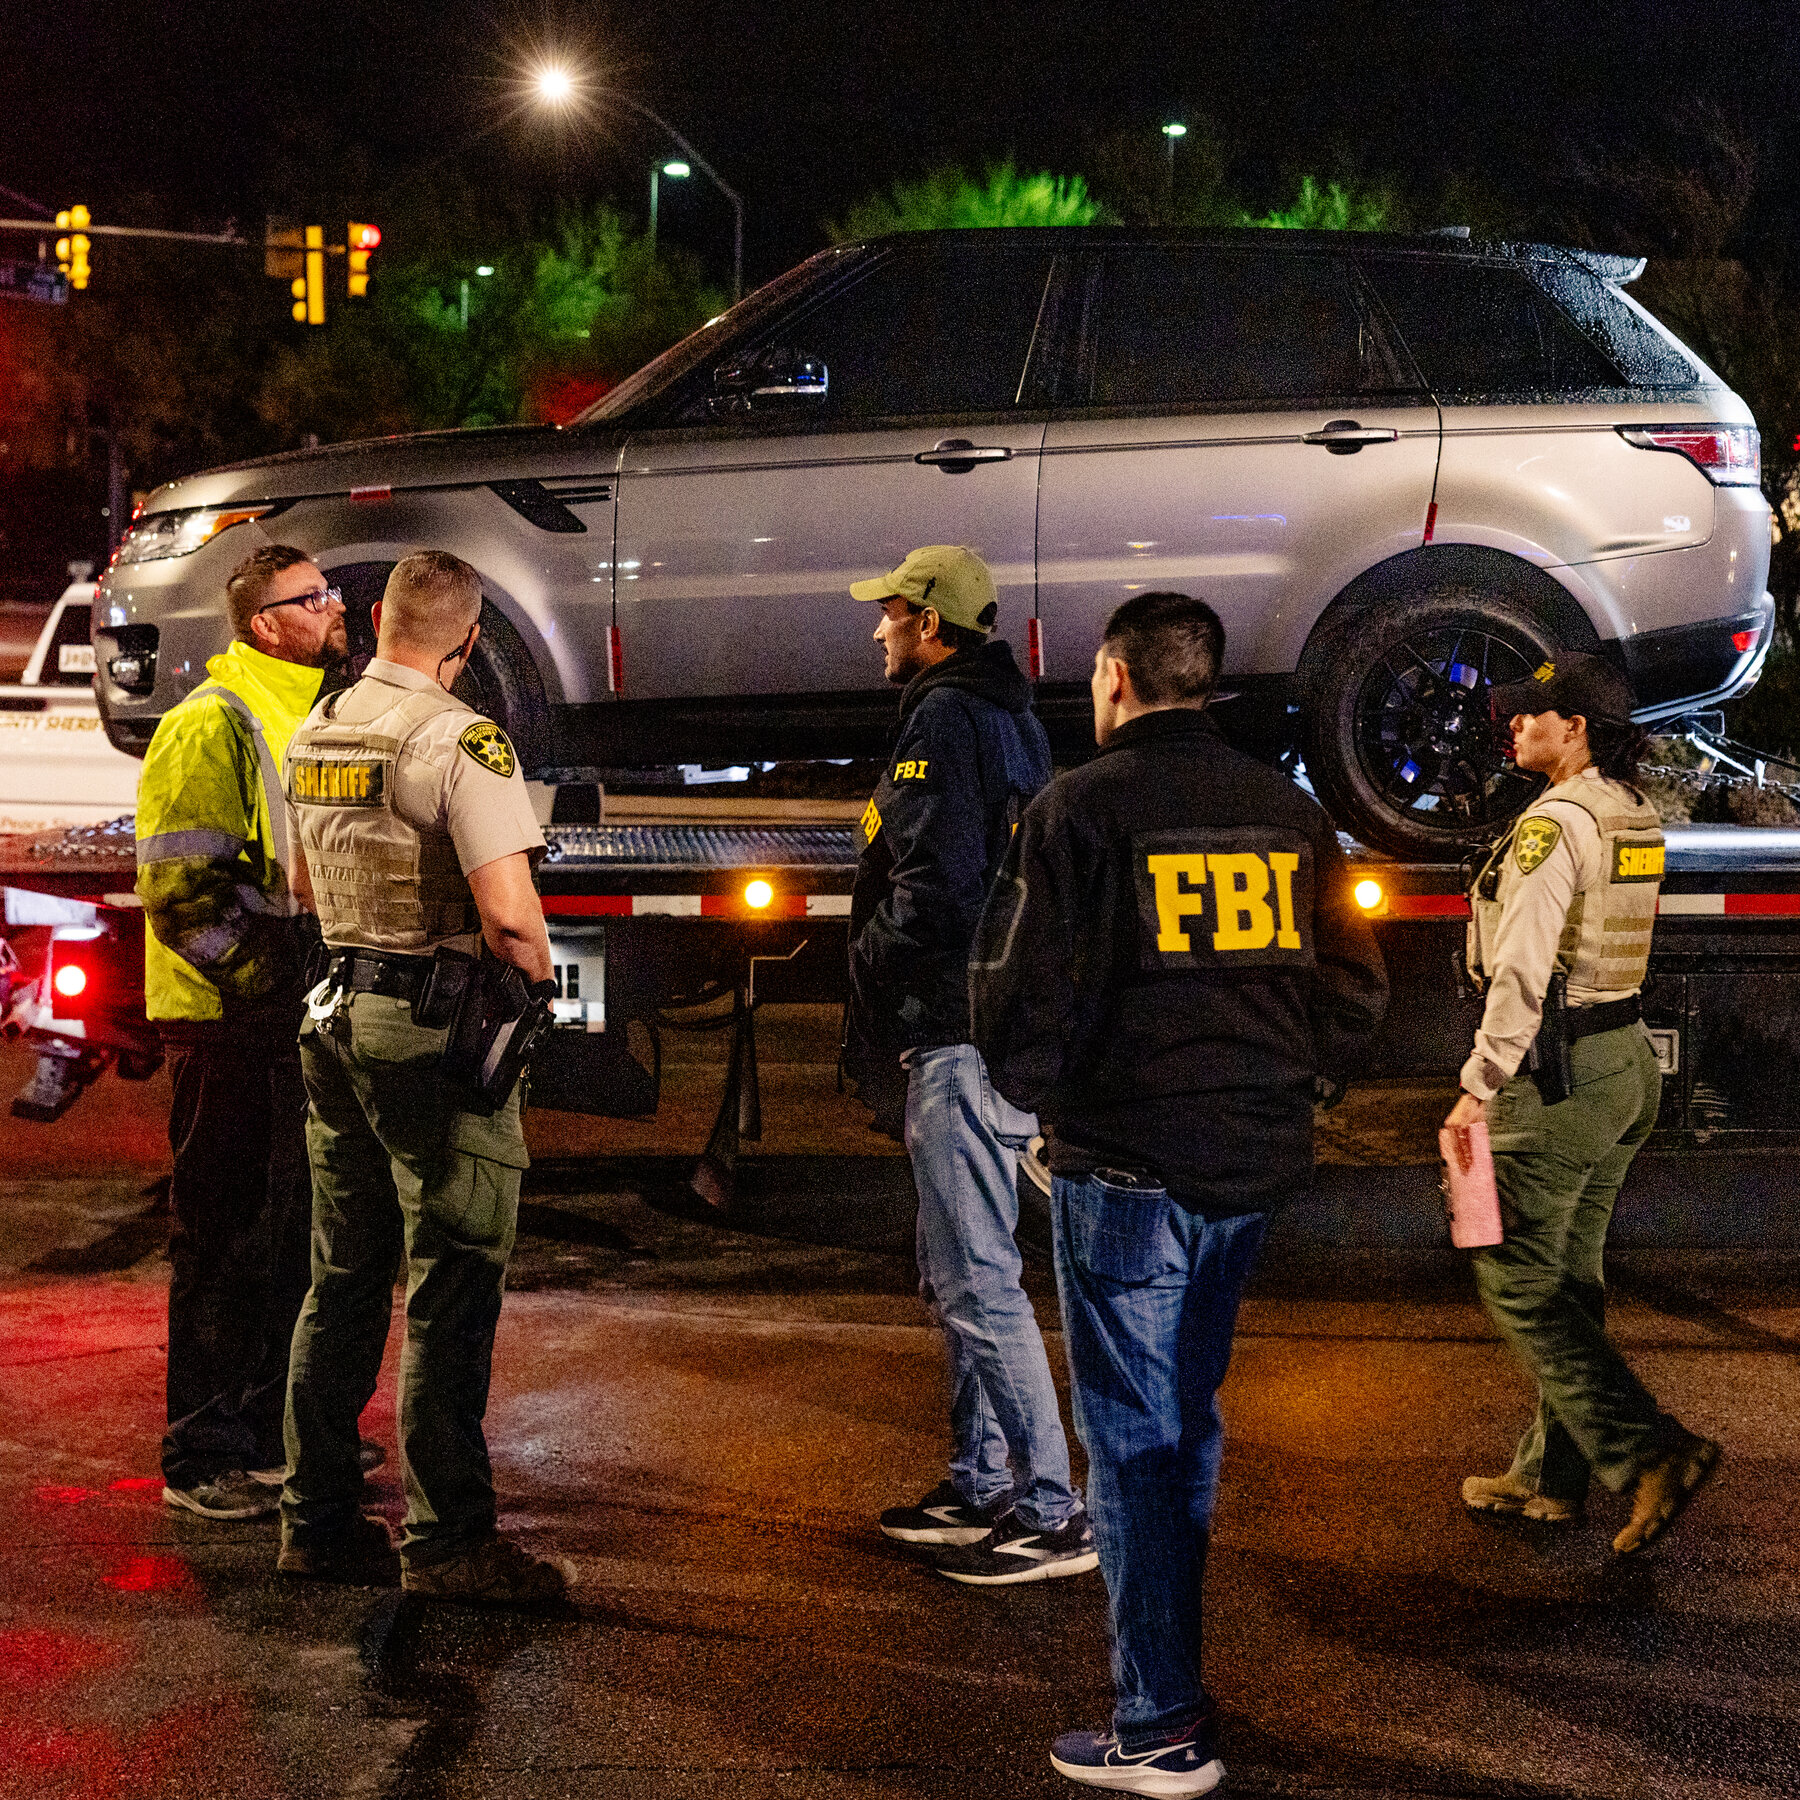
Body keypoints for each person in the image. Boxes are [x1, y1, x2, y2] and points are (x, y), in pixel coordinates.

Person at [971, 592, 1387, 1796]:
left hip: (1128, 1173)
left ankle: (1159, 1723)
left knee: (1135, 1440)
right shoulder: (1286, 811)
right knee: (1186, 1422)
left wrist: (1052, 1109)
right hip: (1248, 1172)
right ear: (1204, 679)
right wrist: (1285, 1086)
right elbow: (1353, 991)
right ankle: (1166, 1687)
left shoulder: (1075, 812)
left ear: (1114, 677)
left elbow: (1017, 997)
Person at [277, 550, 565, 1603]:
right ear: (470, 640)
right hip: (430, 1032)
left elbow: (303, 887)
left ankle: (312, 1520)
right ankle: (448, 1545)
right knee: (452, 1277)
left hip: (336, 1016)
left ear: (375, 620)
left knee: (344, 1274)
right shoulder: (461, 739)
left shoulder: (317, 730)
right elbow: (510, 918)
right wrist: (538, 1006)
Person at [843, 544, 1092, 1585]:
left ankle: (1049, 1508)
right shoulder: (1009, 716)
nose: (878, 629)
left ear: (932, 624)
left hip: (955, 1031)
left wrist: (868, 958)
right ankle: (981, 1480)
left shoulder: (942, 717)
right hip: (988, 1031)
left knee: (975, 1279)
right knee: (960, 1272)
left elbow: (935, 886)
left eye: (891, 613)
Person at [1449, 652, 1720, 1555]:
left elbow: (1524, 968)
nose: (1517, 725)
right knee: (1570, 1280)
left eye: (1538, 714)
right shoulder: (1629, 812)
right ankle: (1549, 1478)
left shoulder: (1555, 823)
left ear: (1580, 729)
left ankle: (1650, 1450)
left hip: (1559, 1075)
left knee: (1514, 1274)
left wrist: (1477, 1084)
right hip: (1625, 1064)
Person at [136, 545, 350, 1520]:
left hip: (280, 1018)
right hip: (227, 1026)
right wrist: (270, 980)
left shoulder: (312, 711)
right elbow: (180, 896)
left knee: (288, 1237)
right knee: (222, 1240)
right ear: (267, 622)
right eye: (315, 597)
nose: (337, 604)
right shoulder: (206, 726)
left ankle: (266, 1431)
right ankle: (202, 1453)